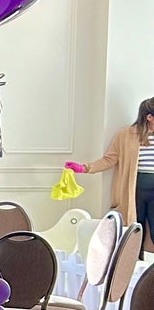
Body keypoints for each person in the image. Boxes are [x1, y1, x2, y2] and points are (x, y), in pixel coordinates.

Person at [66, 97, 154, 249]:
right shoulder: (126, 136)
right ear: (149, 117)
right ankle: (132, 268)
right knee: (134, 233)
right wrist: (84, 168)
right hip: (134, 192)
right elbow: (109, 159)